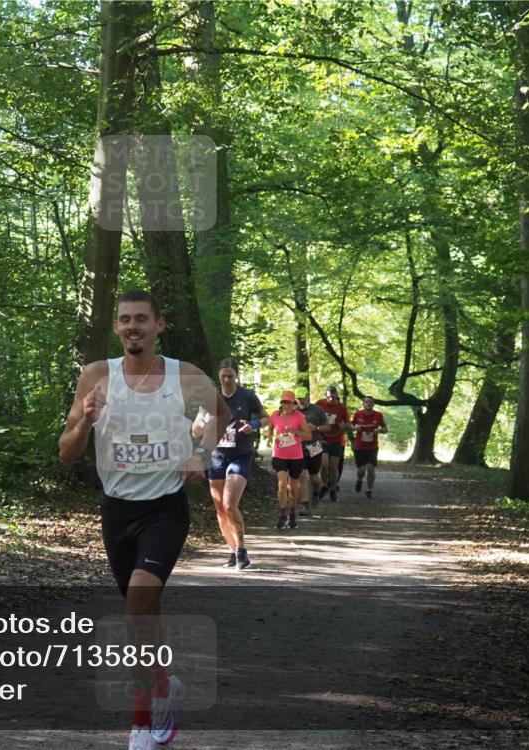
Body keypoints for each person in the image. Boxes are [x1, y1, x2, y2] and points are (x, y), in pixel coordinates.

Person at [59, 290, 228, 750]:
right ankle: (163, 683)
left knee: (137, 603)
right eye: (125, 319)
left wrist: (199, 454)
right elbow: (67, 452)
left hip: (165, 508)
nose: (132, 326)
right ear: (116, 327)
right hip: (116, 511)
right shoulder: (97, 376)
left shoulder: (183, 375)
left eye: (141, 319)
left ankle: (140, 721)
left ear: (159, 325)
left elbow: (221, 414)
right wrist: (85, 421)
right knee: (141, 618)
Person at [198, 357, 267, 571]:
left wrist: (252, 425)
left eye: (231, 376)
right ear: (218, 376)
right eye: (223, 376)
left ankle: (242, 551)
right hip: (216, 457)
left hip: (240, 456)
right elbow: (196, 430)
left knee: (229, 504)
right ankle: (232, 550)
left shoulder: (247, 396)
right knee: (220, 509)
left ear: (236, 376)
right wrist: (206, 422)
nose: (227, 380)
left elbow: (266, 418)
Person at [266, 390, 312, 529]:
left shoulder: (300, 417)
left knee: (293, 487)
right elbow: (270, 427)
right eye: (284, 402)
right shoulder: (275, 415)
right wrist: (269, 437)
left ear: (294, 403)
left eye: (289, 402)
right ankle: (282, 515)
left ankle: (292, 513)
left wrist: (296, 432)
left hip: (295, 456)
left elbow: (308, 436)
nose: (286, 405)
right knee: (282, 484)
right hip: (279, 454)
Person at [295, 388, 328, 514]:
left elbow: (328, 427)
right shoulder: (293, 411)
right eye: (298, 398)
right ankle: (305, 505)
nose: (300, 400)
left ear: (308, 396)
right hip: (298, 447)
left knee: (314, 477)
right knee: (302, 475)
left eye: (302, 397)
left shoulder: (318, 410)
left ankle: (316, 492)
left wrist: (316, 428)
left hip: (314, 445)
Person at [316, 385, 351, 502]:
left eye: (333, 397)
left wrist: (344, 426)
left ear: (336, 396)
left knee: (334, 467)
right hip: (322, 439)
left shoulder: (342, 407)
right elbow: (312, 417)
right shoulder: (320, 404)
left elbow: (348, 425)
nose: (330, 399)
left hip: (336, 440)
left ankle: (333, 488)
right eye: (328, 397)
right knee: (324, 465)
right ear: (325, 396)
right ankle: (324, 485)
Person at [352, 395, 388, 499]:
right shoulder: (358, 414)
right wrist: (356, 428)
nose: (368, 404)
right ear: (363, 404)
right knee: (361, 470)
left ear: (373, 404)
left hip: (372, 447)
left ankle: (369, 489)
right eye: (366, 402)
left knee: (371, 468)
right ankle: (359, 480)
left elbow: (385, 428)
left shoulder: (378, 415)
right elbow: (350, 425)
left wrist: (379, 430)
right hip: (360, 446)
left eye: (370, 402)